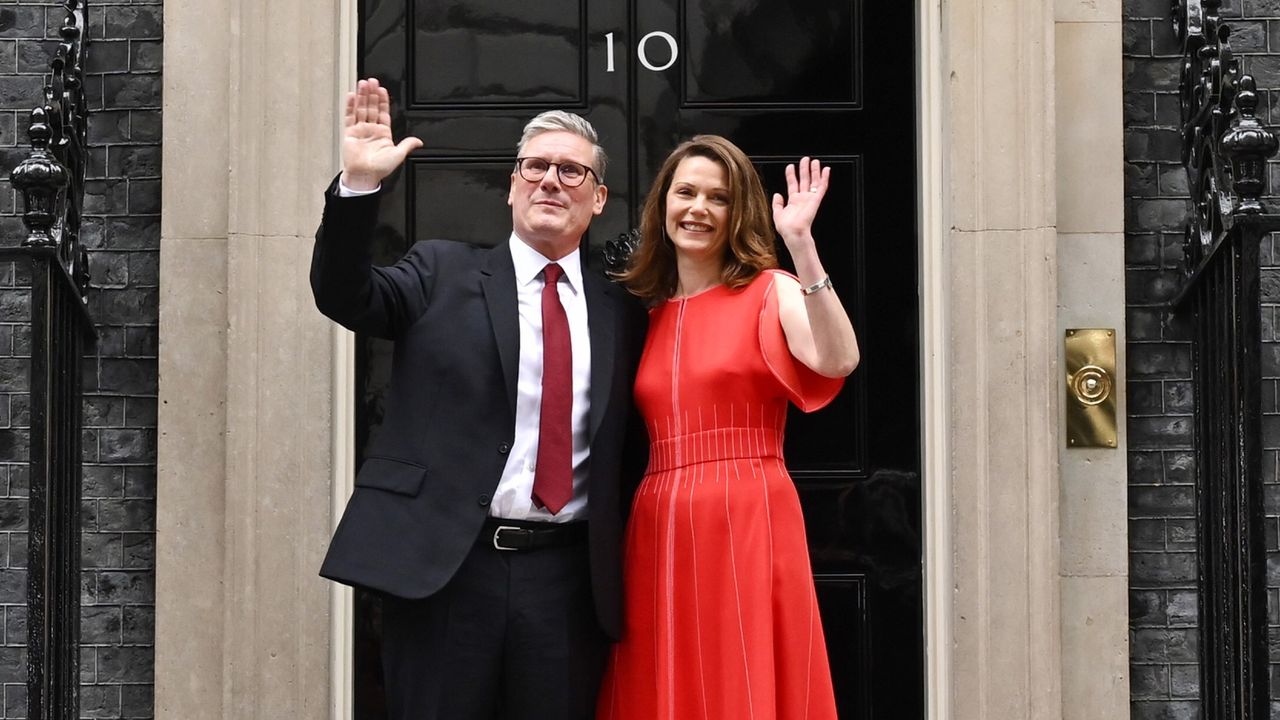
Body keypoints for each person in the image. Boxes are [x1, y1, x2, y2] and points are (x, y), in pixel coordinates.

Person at [310, 78, 647, 720]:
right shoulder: (439, 270)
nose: (551, 180)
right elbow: (343, 294)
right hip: (448, 570)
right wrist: (358, 186)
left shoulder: (625, 306)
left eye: (571, 171)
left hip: (568, 582)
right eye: (536, 166)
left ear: (599, 198)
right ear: (513, 185)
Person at [597, 135, 859, 719]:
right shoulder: (646, 311)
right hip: (659, 516)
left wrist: (801, 247)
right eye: (685, 192)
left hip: (746, 507)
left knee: (739, 670)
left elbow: (837, 359)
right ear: (661, 203)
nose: (698, 209)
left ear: (737, 211)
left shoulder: (771, 290)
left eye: (717, 198)